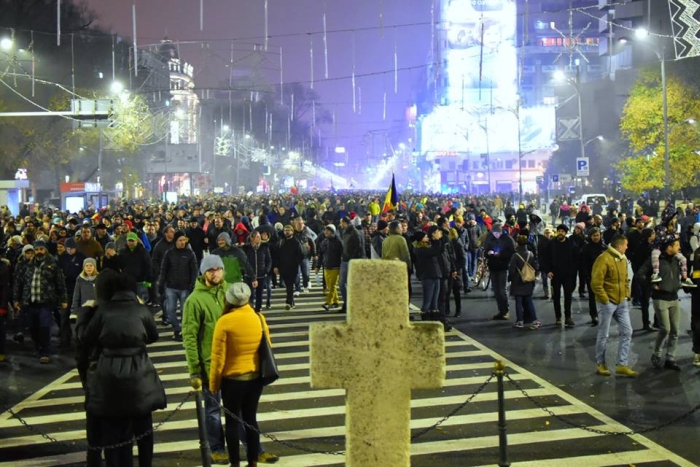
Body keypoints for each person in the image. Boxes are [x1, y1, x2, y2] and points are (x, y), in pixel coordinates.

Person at [182, 255, 279, 465]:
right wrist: (194, 370)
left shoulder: (232, 291)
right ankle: (217, 448)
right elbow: (189, 336)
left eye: (218, 269)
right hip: (210, 365)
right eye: (210, 270)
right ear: (203, 273)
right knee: (213, 411)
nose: (215, 273)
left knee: (242, 414)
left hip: (234, 368)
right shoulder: (195, 300)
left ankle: (254, 449)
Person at [82, 270, 166, 467]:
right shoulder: (141, 310)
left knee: (113, 429)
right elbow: (153, 336)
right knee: (144, 427)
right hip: (139, 372)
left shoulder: (103, 311)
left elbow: (87, 338)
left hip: (109, 372)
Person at [209, 283, 271, 467]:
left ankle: (235, 463)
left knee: (232, 423)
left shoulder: (224, 322)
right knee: (251, 419)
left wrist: (214, 384)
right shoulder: (258, 318)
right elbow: (267, 347)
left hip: (232, 381)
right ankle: (253, 461)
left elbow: (218, 357)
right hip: (255, 378)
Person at [13, 240, 68, 364]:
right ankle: (38, 347)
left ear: (46, 250)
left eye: (41, 249)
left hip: (46, 302)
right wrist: (16, 299)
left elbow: (60, 284)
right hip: (30, 302)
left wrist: (64, 299)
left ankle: (45, 352)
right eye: (36, 250)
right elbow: (18, 283)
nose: (39, 252)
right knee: (33, 329)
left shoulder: (53, 265)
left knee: (44, 328)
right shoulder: (26, 265)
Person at [591, 235, 637, 377]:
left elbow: (625, 279)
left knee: (627, 331)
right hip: (608, 303)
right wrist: (605, 299)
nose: (627, 247)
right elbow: (596, 283)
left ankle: (622, 364)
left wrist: (626, 294)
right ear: (619, 246)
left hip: (621, 301)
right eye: (626, 245)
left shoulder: (622, 259)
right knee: (603, 334)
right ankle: (601, 364)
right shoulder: (603, 259)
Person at [637, 238, 684, 371]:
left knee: (675, 330)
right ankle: (656, 354)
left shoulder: (677, 259)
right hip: (660, 298)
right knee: (665, 329)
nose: (679, 248)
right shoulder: (655, 260)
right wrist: (651, 284)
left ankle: (670, 358)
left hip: (674, 297)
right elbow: (640, 274)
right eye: (677, 245)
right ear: (669, 247)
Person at [158, 231, 198, 340]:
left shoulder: (190, 253)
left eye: (184, 240)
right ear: (175, 241)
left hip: (185, 287)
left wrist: (193, 284)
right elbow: (164, 269)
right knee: (171, 310)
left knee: (185, 311)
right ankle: (176, 330)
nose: (182, 242)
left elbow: (194, 270)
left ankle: (184, 330)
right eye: (180, 240)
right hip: (171, 286)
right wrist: (161, 284)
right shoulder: (169, 253)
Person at [543, 224, 577, 327]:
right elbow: (546, 259)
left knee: (568, 296)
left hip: (568, 275)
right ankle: (558, 317)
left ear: (566, 233)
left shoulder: (571, 244)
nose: (560, 233)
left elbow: (576, 259)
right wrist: (548, 271)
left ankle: (568, 317)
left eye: (562, 231)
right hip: (555, 275)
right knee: (556, 297)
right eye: (559, 231)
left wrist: (573, 272)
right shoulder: (551, 244)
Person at [482, 221, 516, 320]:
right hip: (493, 266)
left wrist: (501, 254)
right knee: (496, 291)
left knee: (502, 290)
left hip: (503, 267)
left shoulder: (507, 239)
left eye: (497, 233)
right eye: (494, 233)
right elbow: (485, 250)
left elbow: (512, 252)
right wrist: (488, 253)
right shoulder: (490, 238)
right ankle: (501, 310)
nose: (496, 235)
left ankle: (505, 310)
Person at [509, 235, 540, 329]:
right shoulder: (530, 254)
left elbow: (512, 270)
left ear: (517, 243)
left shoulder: (515, 255)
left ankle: (520, 321)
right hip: (528, 281)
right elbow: (535, 267)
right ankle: (534, 320)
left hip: (517, 281)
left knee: (518, 301)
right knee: (529, 301)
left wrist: (510, 279)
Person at [274, 225, 304, 310]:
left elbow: (301, 255)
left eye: (288, 230)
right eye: (285, 230)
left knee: (290, 285)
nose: (286, 232)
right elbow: (277, 255)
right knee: (288, 286)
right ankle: (292, 302)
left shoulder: (296, 242)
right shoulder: (281, 242)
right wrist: (276, 266)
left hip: (292, 268)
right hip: (283, 267)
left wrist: (295, 262)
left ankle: (289, 302)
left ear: (292, 231)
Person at [581, 228, 606, 326]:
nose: (596, 237)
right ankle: (594, 315)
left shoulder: (604, 247)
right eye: (594, 235)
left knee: (604, 296)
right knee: (592, 296)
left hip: (604, 276)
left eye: (598, 235)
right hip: (591, 276)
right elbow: (583, 263)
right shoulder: (586, 248)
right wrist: (587, 275)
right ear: (590, 236)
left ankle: (604, 314)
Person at [241, 231, 270, 312]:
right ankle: (250, 308)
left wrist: (266, 270)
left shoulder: (264, 247)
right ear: (252, 238)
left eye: (259, 237)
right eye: (257, 237)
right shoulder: (246, 248)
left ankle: (258, 309)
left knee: (259, 294)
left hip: (261, 274)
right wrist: (244, 270)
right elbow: (243, 261)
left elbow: (269, 260)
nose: (259, 238)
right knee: (249, 294)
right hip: (249, 275)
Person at [316, 224, 343, 311]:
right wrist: (317, 266)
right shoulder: (324, 242)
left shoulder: (339, 242)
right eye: (325, 230)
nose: (326, 232)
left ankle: (328, 303)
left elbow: (343, 254)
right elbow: (320, 255)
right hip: (326, 267)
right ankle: (336, 301)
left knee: (332, 286)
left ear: (332, 232)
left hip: (335, 267)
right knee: (330, 286)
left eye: (328, 230)